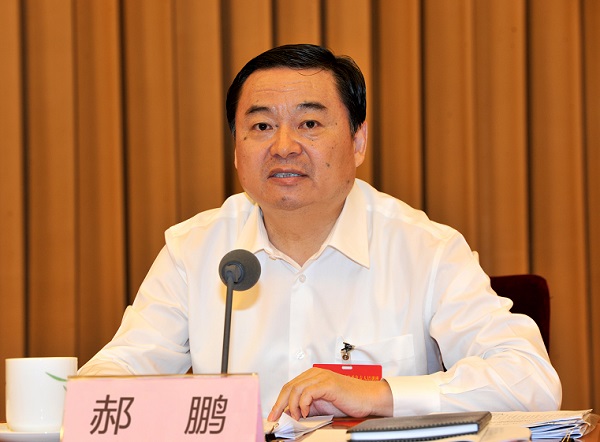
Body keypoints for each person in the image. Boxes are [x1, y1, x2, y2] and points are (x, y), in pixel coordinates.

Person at [79, 44, 561, 420]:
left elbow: (531, 381)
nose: (283, 146)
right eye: (261, 126)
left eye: (309, 123)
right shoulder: (194, 249)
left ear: (357, 141)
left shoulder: (426, 249)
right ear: (236, 150)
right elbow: (113, 374)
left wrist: (380, 395)